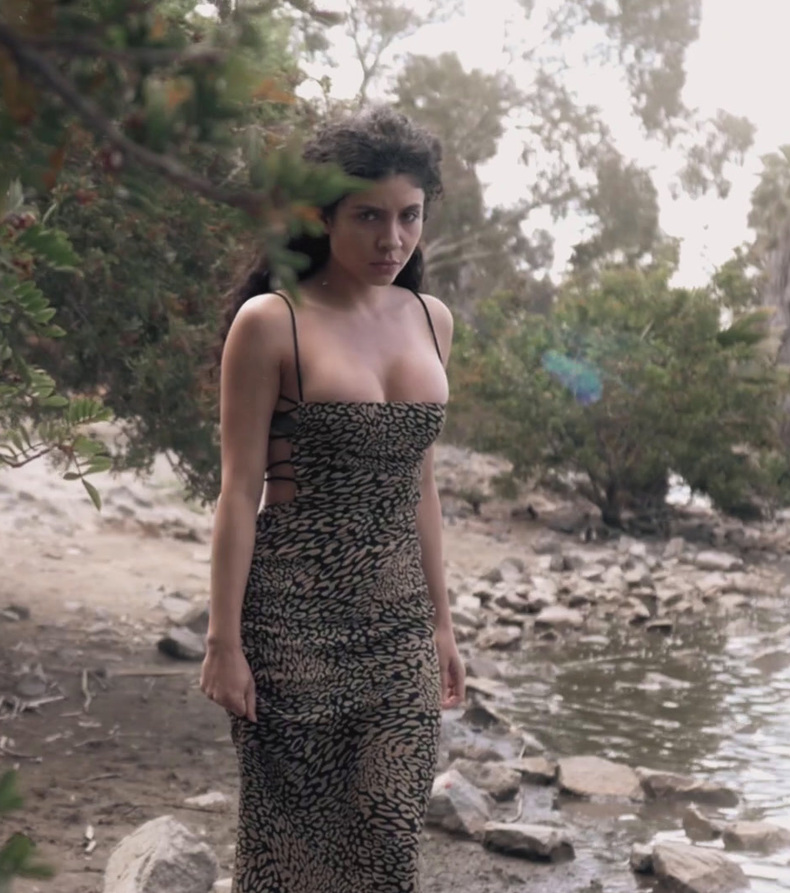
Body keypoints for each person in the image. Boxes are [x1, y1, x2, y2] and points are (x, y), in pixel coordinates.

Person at [198, 105, 466, 892]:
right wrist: (223, 640)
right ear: (324, 215)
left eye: (409, 216)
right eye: (369, 217)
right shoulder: (270, 323)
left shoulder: (431, 319)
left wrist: (443, 624)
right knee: (290, 857)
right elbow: (238, 490)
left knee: (385, 847)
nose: (392, 240)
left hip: (398, 634)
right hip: (291, 628)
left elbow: (421, 483)